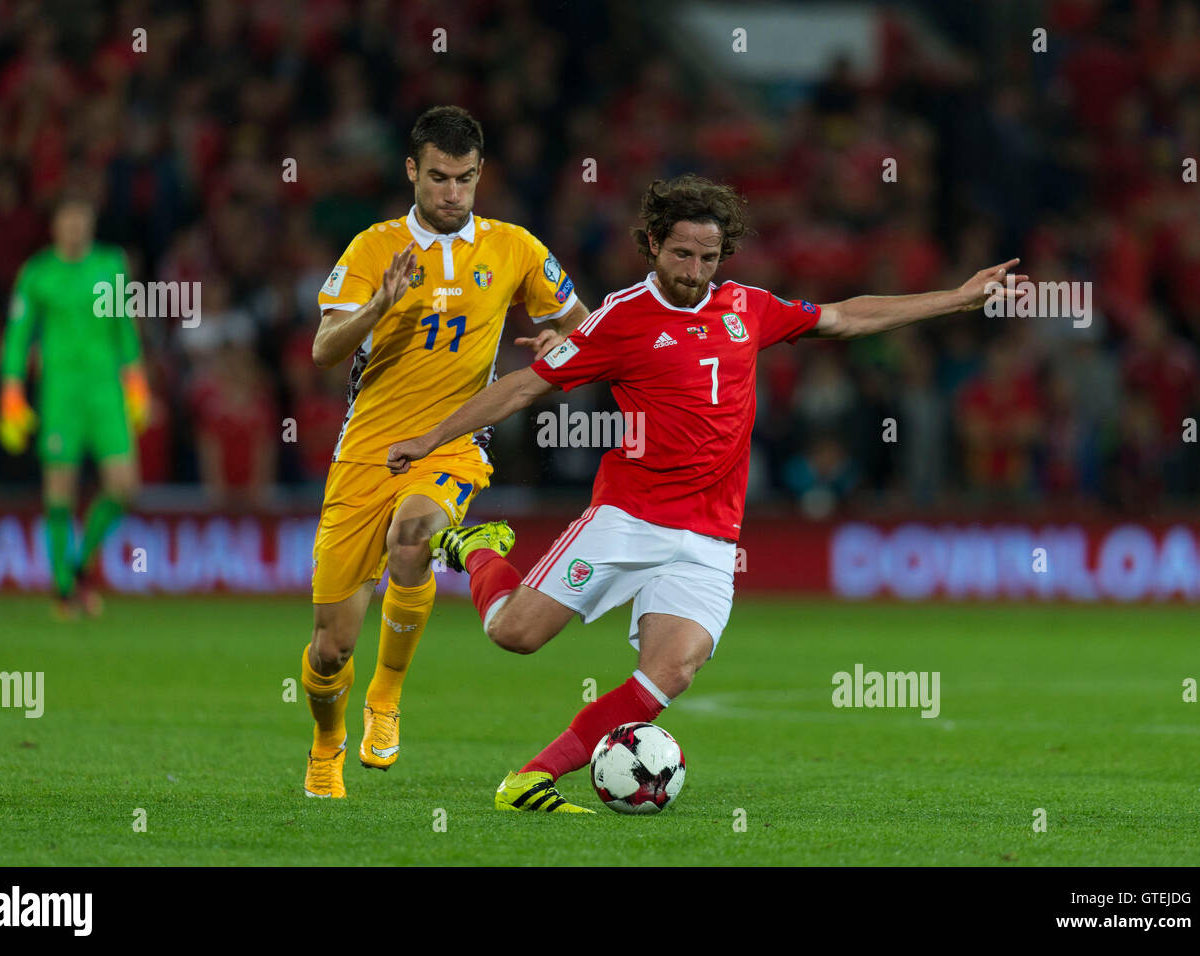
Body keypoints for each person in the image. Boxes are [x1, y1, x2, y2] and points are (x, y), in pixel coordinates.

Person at [387, 174, 1026, 812]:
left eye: (708, 257)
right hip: (628, 518)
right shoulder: (622, 317)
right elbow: (526, 386)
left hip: (711, 537)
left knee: (673, 672)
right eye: (682, 254)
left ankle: (529, 778)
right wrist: (433, 437)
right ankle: (476, 549)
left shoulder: (748, 307)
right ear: (652, 244)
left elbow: (844, 316)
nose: (695, 271)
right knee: (513, 634)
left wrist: (957, 299)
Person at [302, 105, 588, 798]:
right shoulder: (374, 248)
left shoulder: (515, 247)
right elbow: (322, 350)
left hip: (453, 443)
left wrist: (562, 345)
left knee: (416, 534)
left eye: (463, 178)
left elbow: (588, 326)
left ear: (479, 173)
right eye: (437, 178)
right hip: (367, 452)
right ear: (412, 171)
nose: (451, 192)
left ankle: (388, 697)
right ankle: (326, 741)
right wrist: (377, 308)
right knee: (330, 645)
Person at [0, 196, 150, 620]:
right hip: (60, 393)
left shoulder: (110, 265)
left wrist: (136, 378)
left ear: (90, 223)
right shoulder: (38, 274)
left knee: (125, 488)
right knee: (59, 493)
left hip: (105, 392)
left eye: (81, 219)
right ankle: (64, 590)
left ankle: (80, 566)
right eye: (67, 220)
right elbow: (17, 335)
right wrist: (11, 388)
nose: (74, 228)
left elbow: (125, 328)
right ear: (54, 226)